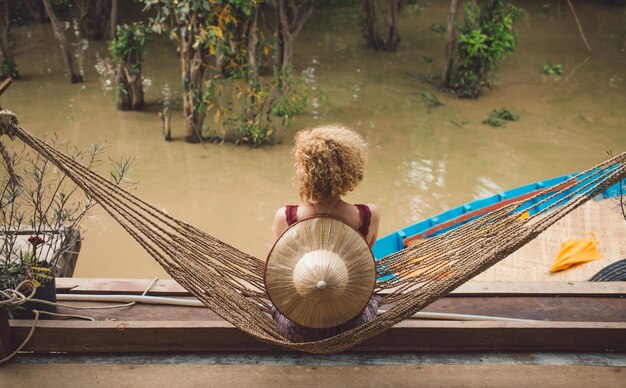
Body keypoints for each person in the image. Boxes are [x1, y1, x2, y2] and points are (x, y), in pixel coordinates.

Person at [270, 124, 381, 342]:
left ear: (311, 174)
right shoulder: (368, 215)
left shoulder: (286, 216)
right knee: (375, 295)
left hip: (297, 329)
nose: (295, 166)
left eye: (300, 163)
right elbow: (365, 259)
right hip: (353, 325)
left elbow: (279, 273)